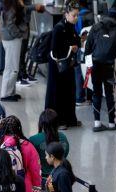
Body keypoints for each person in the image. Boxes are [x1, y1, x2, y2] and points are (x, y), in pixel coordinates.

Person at [84, 7, 116, 132]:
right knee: (109, 94)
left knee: (96, 93)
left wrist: (88, 66)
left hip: (95, 65)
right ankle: (112, 123)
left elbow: (88, 48)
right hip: (109, 66)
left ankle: (97, 123)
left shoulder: (96, 27)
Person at [45, 0, 81, 129]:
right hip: (57, 66)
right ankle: (58, 121)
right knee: (58, 93)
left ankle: (70, 118)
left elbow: (75, 40)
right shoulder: (59, 28)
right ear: (66, 14)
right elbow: (55, 49)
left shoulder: (71, 27)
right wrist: (71, 47)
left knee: (70, 91)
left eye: (77, 15)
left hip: (67, 65)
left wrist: (76, 45)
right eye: (74, 15)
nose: (76, 18)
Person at [0, 0, 43, 101]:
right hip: (12, 39)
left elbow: (24, 9)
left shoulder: (13, 4)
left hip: (11, 38)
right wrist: (18, 34)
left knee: (13, 67)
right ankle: (6, 94)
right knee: (12, 68)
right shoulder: (11, 5)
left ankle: (11, 92)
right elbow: (10, 24)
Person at [29, 109, 70, 178]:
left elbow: (31, 160)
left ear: (41, 123)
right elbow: (65, 154)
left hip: (42, 177)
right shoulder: (63, 137)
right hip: (61, 173)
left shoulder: (33, 139)